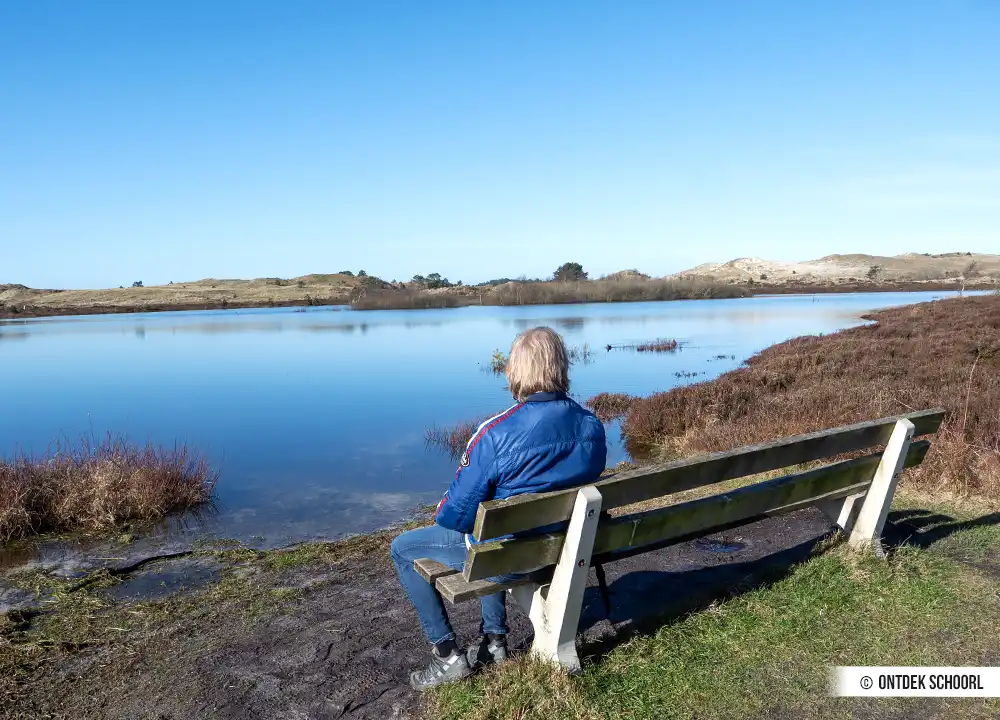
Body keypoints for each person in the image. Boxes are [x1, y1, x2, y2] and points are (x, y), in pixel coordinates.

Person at [391, 326, 607, 690]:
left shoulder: (495, 434)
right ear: (561, 366)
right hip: (566, 548)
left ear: (515, 371)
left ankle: (447, 656)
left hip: (510, 557)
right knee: (492, 528)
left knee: (404, 548)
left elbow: (454, 515)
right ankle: (493, 643)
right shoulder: (591, 425)